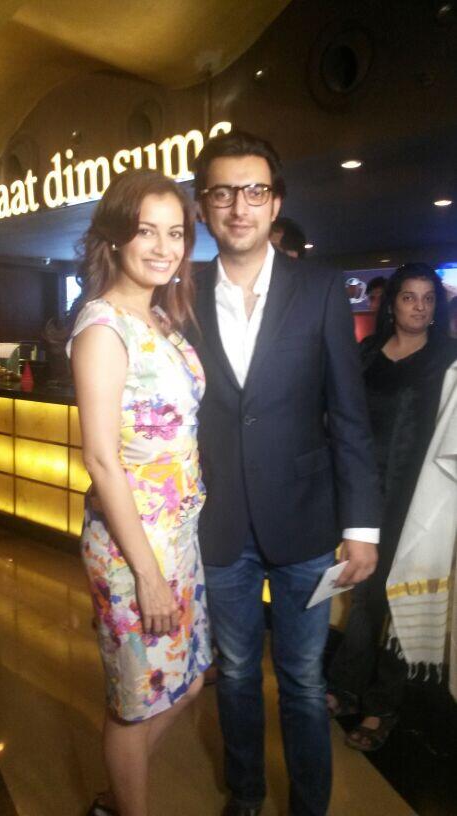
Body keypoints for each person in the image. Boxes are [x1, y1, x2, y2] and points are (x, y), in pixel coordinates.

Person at [191, 129, 381, 816]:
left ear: (274, 203)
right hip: (219, 524)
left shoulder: (322, 289)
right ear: (203, 205)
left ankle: (309, 805)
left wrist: (361, 527)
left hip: (305, 522)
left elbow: (348, 416)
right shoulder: (180, 293)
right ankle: (243, 794)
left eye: (254, 191)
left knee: (301, 679)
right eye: (222, 192)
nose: (238, 206)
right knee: (237, 674)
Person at [66, 169, 211, 816]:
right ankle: (127, 807)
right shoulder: (102, 327)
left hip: (179, 537)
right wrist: (147, 575)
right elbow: (101, 458)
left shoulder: (157, 316)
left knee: (186, 678)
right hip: (133, 550)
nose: (163, 246)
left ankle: (117, 793)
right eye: (146, 230)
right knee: (136, 700)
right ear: (117, 237)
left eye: (175, 232)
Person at [327, 263, 457, 752]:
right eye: (408, 297)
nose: (418, 307)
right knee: (364, 593)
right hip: (364, 494)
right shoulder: (367, 355)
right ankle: (345, 686)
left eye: (427, 298)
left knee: (400, 597)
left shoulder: (449, 359)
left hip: (420, 499)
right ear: (392, 302)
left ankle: (384, 706)